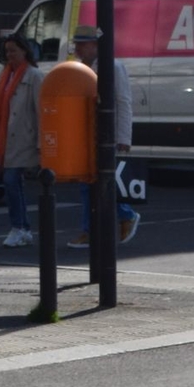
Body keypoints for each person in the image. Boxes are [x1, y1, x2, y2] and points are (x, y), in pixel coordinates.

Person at [66, 26, 141, 248]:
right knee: (89, 181)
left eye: (83, 44)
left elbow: (123, 102)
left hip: (105, 133)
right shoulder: (82, 68)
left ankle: (105, 224)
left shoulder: (113, 67)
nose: (78, 48)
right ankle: (115, 219)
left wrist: (124, 137)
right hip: (87, 133)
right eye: (77, 44)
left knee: (96, 182)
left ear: (96, 45)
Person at [0, 34, 44, 248]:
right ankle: (22, 228)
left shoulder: (34, 76)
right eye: (7, 51)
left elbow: (41, 111)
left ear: (24, 51)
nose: (9, 55)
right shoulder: (6, 75)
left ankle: (19, 227)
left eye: (13, 50)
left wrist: (41, 143)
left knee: (11, 181)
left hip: (24, 136)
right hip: (8, 135)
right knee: (13, 182)